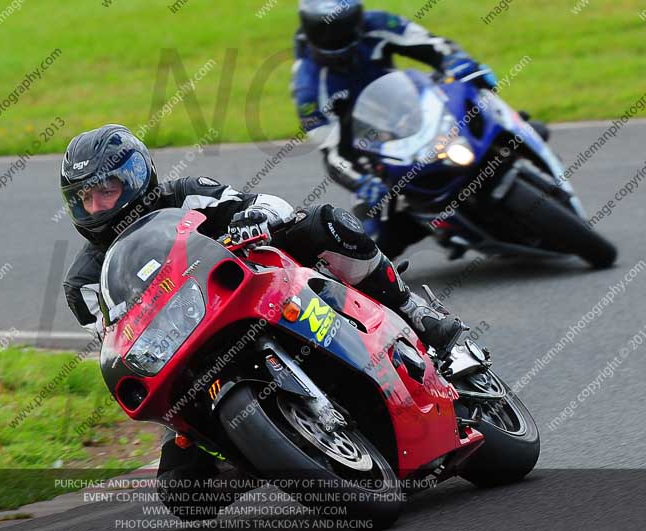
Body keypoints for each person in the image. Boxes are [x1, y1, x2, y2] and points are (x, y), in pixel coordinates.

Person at [60, 124, 464, 519]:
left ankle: (415, 312)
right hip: (186, 351)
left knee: (326, 223)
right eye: (85, 199)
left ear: (135, 177)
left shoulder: (186, 194)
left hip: (254, 293)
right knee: (181, 492)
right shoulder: (83, 284)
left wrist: (252, 218)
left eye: (106, 191)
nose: (97, 207)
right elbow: (116, 339)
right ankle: (263, 446)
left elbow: (266, 204)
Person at [292, 0, 549, 258]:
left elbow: (434, 45)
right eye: (324, 30)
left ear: (357, 19)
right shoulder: (308, 87)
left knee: (482, 104)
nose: (335, 38)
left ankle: (522, 135)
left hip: (412, 109)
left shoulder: (379, 24)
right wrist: (362, 181)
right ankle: (441, 230)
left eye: (343, 27)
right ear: (309, 27)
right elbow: (332, 151)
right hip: (369, 149)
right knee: (373, 234)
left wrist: (460, 63)